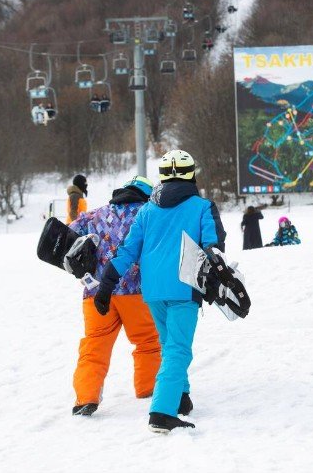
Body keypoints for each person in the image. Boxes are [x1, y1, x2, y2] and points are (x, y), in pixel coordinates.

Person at [94, 150, 226, 433]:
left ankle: (180, 396)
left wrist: (106, 285)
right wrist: (219, 276)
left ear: (162, 177)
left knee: (169, 345)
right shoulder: (202, 207)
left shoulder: (147, 210)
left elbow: (127, 251)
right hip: (184, 286)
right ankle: (162, 412)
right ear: (191, 175)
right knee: (178, 348)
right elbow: (213, 246)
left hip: (153, 291)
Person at [67, 177, 161, 416]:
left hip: (96, 293)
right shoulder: (149, 213)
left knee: (94, 345)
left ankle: (86, 397)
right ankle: (148, 389)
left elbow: (70, 232)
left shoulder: (96, 215)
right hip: (136, 292)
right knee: (148, 342)